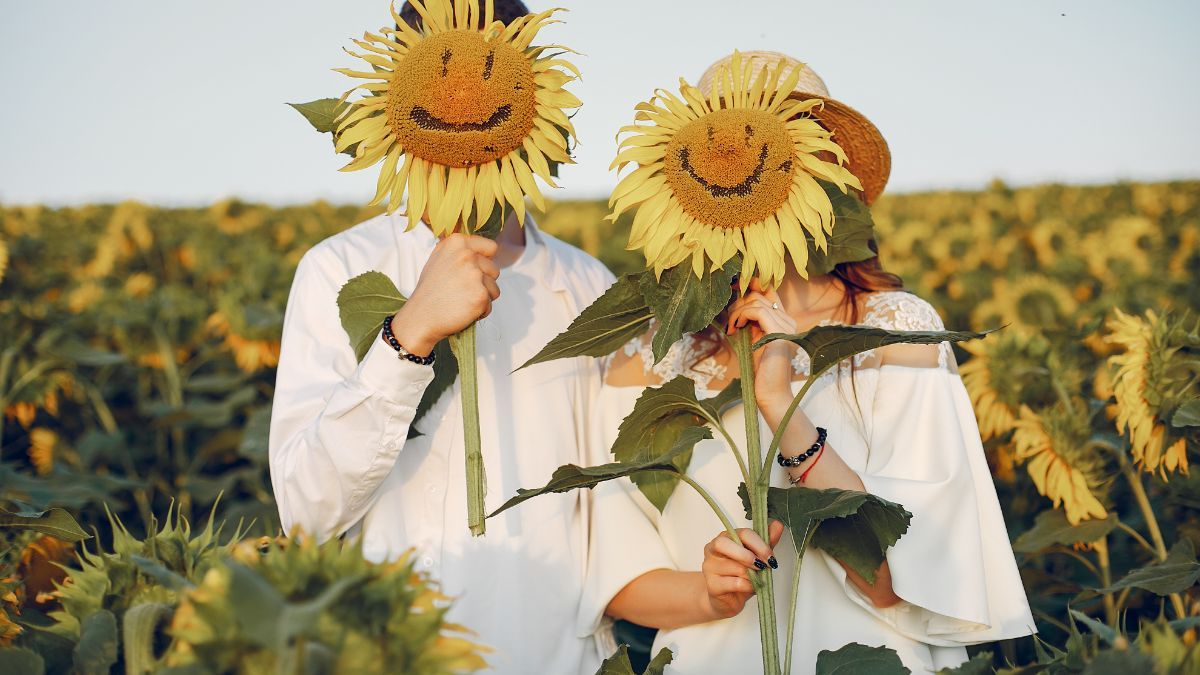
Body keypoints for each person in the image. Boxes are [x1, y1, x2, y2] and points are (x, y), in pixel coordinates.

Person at [582, 52, 1035, 674]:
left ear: (821, 174)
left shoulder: (894, 332)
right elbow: (615, 577)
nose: (737, 169)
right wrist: (707, 592)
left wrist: (781, 409)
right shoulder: (653, 354)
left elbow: (899, 577)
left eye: (769, 151)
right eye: (715, 153)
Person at [268, 3, 617, 672]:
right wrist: (407, 336)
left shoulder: (588, 286)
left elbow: (614, 517)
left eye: (488, 74)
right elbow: (308, 510)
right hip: (395, 651)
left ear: (535, 96)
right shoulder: (340, 269)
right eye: (439, 75)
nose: (463, 98)